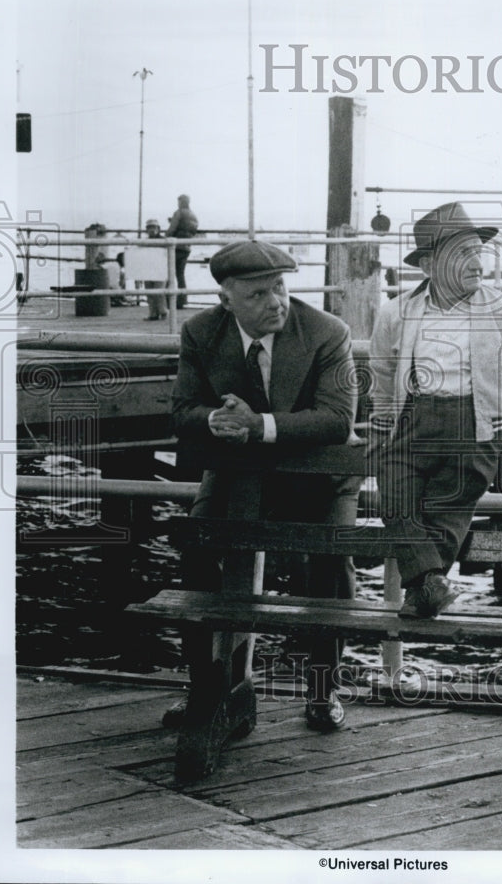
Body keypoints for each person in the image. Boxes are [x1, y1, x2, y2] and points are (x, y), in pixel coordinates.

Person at [172, 239, 359, 731]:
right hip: (238, 471)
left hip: (320, 472)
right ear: (226, 299)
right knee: (198, 551)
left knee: (328, 564)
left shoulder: (327, 331)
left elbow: (336, 420)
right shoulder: (201, 332)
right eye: (258, 294)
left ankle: (322, 689)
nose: (276, 302)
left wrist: (260, 426)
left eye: (279, 287)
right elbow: (183, 410)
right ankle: (208, 689)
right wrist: (215, 419)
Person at [368, 202, 502, 619]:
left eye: (478, 252)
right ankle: (431, 584)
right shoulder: (396, 312)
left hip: (476, 425)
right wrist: (381, 423)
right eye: (463, 254)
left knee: (450, 502)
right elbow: (383, 372)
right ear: (429, 265)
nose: (478, 263)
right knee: (393, 492)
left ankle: (423, 588)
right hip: (413, 419)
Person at [167, 194, 199, 309]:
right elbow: (192, 230)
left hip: (176, 247)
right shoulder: (194, 215)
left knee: (169, 274)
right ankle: (182, 300)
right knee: (180, 275)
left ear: (181, 202)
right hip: (186, 247)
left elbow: (172, 229)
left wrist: (166, 237)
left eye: (179, 202)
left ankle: (168, 300)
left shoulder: (178, 212)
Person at [143, 218, 168, 321]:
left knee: (159, 291)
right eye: (149, 227)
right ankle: (153, 313)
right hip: (149, 268)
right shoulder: (145, 242)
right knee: (149, 291)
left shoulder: (164, 241)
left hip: (160, 268)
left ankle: (163, 311)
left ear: (158, 229)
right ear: (147, 230)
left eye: (154, 227)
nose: (152, 230)